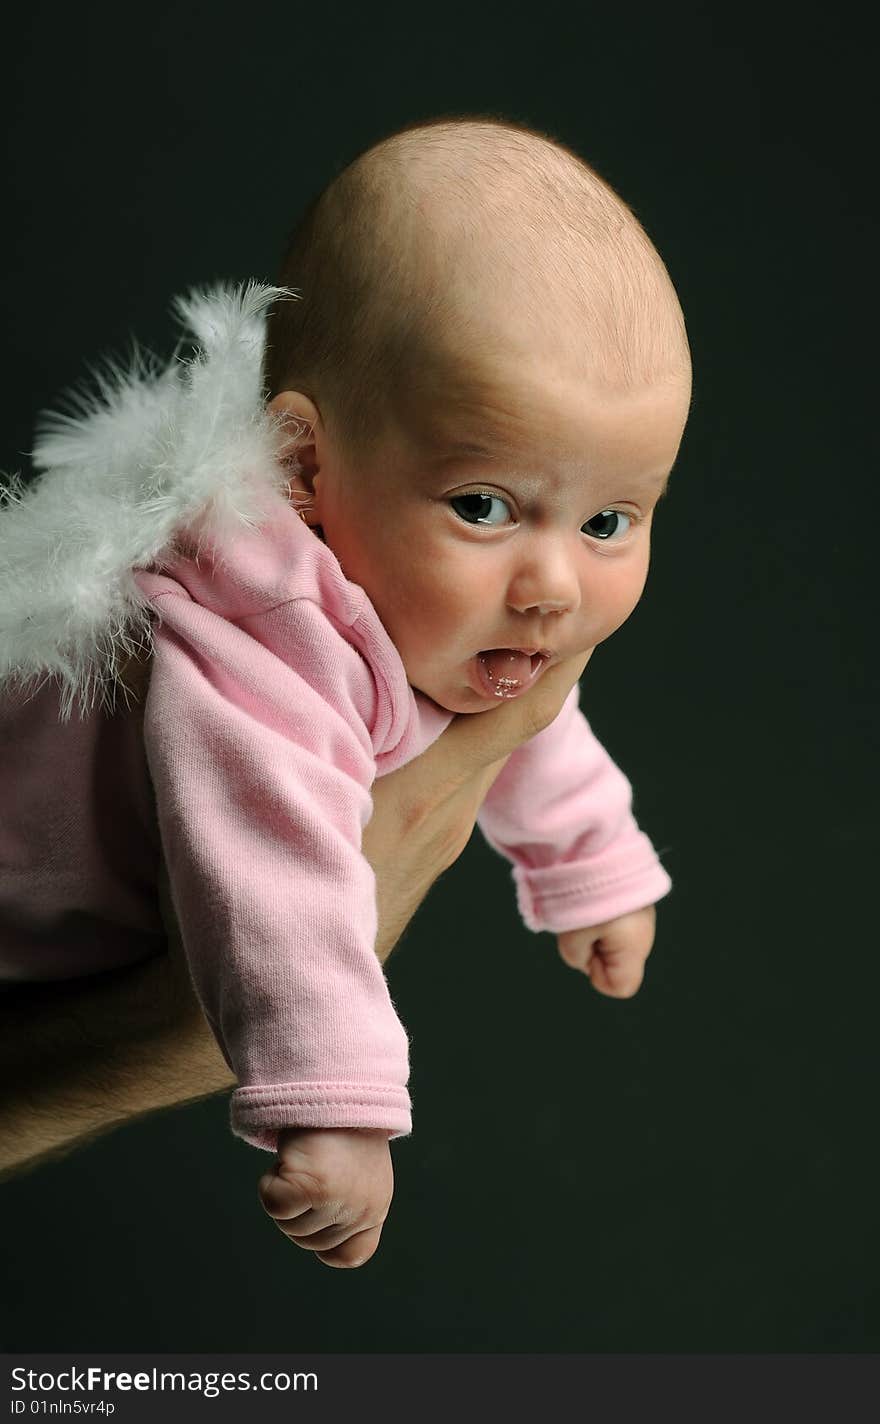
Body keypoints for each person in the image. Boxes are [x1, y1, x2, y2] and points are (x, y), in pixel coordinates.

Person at [0, 115, 692, 1269]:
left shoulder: (441, 615)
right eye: (483, 504)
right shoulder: (260, 635)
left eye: (610, 519)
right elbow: (272, 869)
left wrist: (588, 861)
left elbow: (523, 717)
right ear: (308, 467)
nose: (553, 585)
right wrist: (335, 1099)